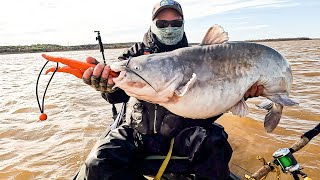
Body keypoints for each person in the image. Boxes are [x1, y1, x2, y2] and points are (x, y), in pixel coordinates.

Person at [75, 0, 263, 179]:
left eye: (176, 23)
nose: (169, 28)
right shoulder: (134, 55)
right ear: (153, 24)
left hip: (185, 133)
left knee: (216, 146)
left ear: (183, 25)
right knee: (98, 163)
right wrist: (106, 87)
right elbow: (117, 94)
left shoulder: (201, 58)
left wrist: (240, 93)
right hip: (138, 132)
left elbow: (210, 105)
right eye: (162, 23)